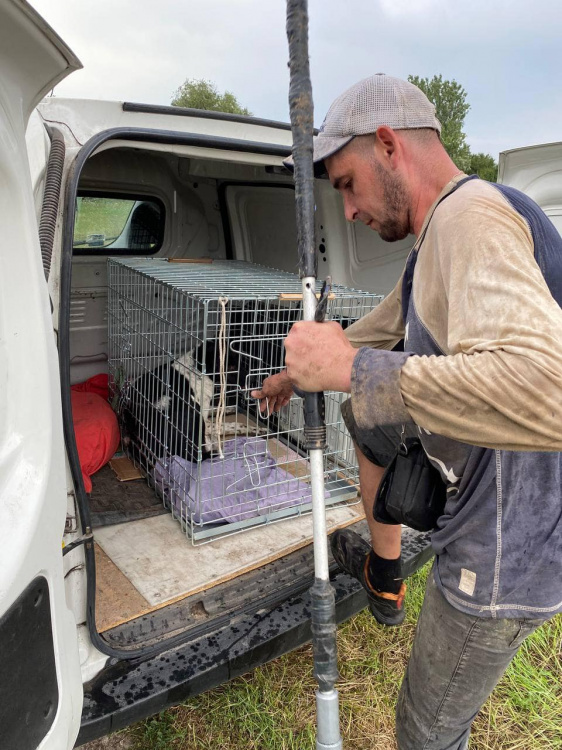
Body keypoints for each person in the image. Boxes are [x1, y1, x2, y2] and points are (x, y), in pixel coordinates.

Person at [251, 73, 562, 749]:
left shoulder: (469, 220)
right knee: (367, 417)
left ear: (389, 146)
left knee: (426, 730)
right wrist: (290, 378)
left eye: (346, 185)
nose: (351, 212)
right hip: (499, 507)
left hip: (509, 547)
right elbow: (378, 329)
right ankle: (386, 570)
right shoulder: (442, 233)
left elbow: (549, 389)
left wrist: (354, 371)